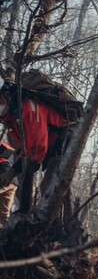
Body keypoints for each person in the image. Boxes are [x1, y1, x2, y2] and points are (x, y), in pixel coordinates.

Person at [0, 77, 70, 215]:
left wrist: (13, 170)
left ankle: (56, 228)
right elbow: (24, 147)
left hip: (64, 139)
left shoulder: (29, 108)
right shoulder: (11, 118)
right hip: (49, 144)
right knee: (49, 185)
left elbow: (37, 148)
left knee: (49, 186)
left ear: (6, 95)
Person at [0, 141, 17, 226]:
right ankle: (12, 234)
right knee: (4, 215)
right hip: (12, 182)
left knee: (4, 214)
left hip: (5, 177)